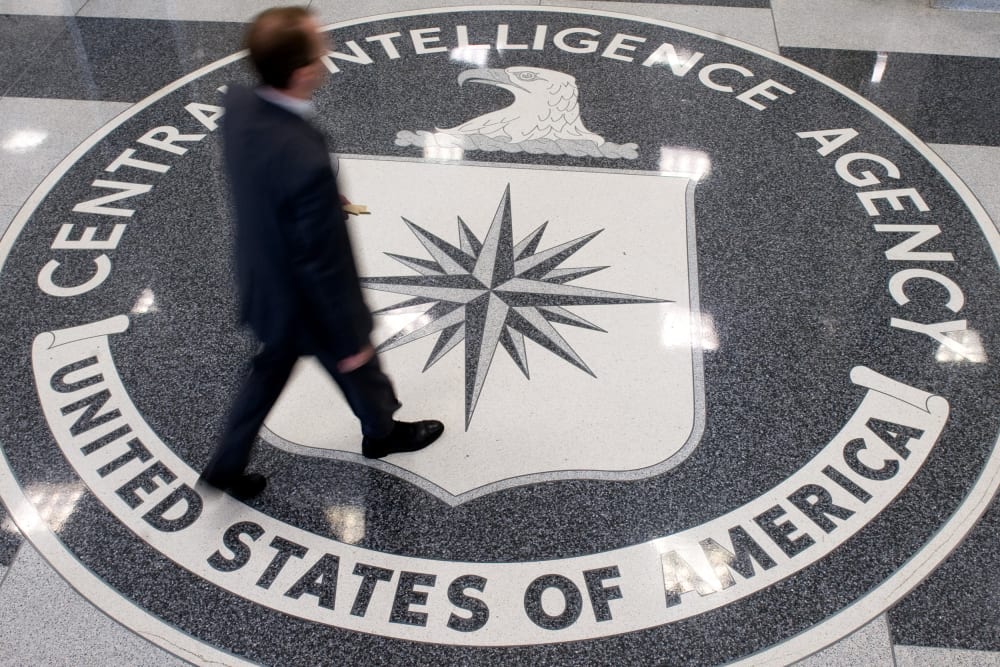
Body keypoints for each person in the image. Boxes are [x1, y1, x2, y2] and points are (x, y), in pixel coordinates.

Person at [200, 6, 444, 500]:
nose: (327, 55)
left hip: (262, 279)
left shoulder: (241, 104)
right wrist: (349, 330)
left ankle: (225, 464)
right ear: (301, 71)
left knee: (267, 373)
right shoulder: (304, 160)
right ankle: (382, 435)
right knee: (359, 363)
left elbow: (263, 177)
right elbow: (321, 262)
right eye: (318, 49)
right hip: (307, 301)